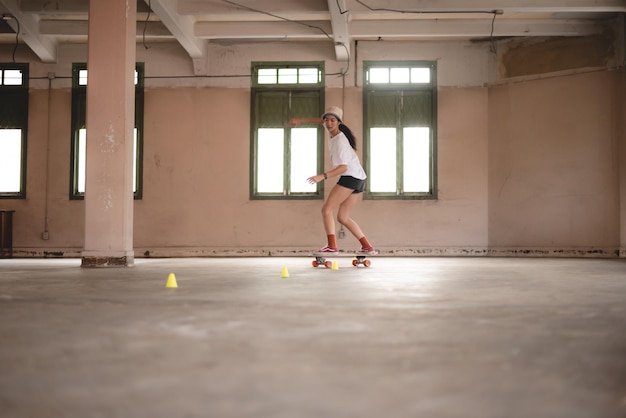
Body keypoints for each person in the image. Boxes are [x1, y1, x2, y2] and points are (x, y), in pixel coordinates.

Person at [289, 106, 376, 255]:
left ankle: (332, 246)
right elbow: (319, 121)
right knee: (343, 217)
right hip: (360, 178)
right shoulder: (333, 130)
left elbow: (343, 168)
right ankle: (367, 246)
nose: (328, 123)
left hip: (350, 177)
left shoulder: (340, 141)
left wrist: (321, 176)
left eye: (332, 120)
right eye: (327, 120)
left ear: (339, 122)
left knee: (327, 209)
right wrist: (301, 120)